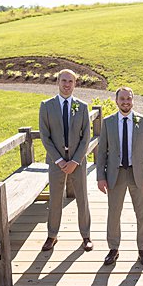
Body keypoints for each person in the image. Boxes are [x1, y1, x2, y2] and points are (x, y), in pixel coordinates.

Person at [96, 87, 143, 266]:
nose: (125, 102)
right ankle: (113, 248)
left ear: (133, 100)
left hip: (138, 174)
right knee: (114, 213)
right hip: (116, 173)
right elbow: (101, 152)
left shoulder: (142, 121)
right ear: (116, 101)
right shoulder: (108, 122)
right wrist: (100, 176)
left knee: (142, 213)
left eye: (128, 99)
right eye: (122, 99)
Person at [38, 69, 92, 252]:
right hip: (56, 162)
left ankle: (86, 236)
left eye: (71, 81)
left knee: (82, 198)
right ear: (58, 82)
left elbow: (86, 138)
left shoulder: (82, 107)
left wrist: (75, 161)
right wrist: (60, 161)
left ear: (75, 84)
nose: (67, 84)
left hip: (78, 161)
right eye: (64, 81)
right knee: (54, 199)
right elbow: (45, 137)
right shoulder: (46, 106)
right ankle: (52, 235)